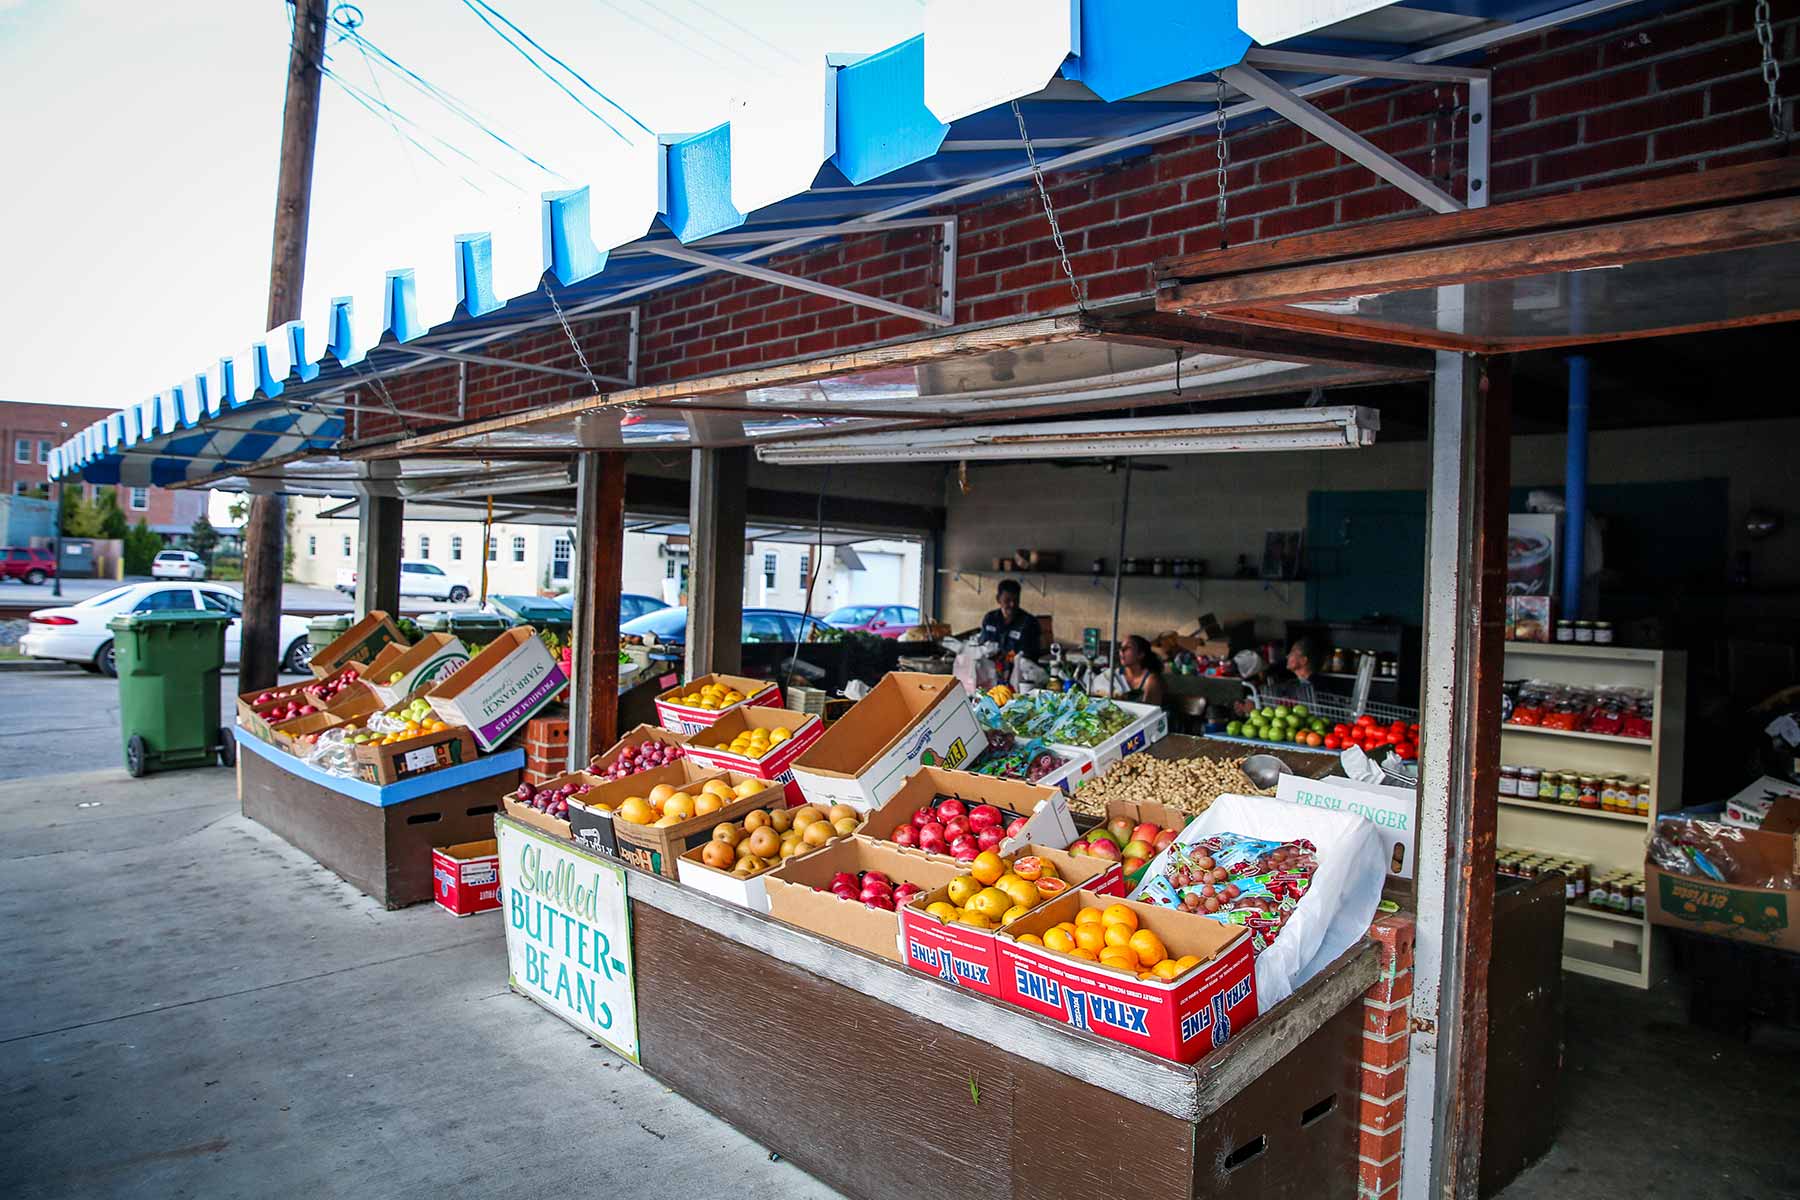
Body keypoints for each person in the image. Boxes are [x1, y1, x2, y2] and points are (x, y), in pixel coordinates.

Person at [977, 578, 1042, 663]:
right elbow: (982, 645)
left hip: (1018, 667)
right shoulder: (990, 618)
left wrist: (1004, 662)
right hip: (990, 666)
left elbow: (1027, 654)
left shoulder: (1029, 622)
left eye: (1016, 600)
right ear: (998, 599)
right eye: (1007, 600)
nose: (1012, 604)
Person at [1095, 635, 1166, 705]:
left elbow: (1150, 709)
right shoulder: (1111, 675)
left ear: (1141, 654)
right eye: (1121, 647)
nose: (1122, 651)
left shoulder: (1152, 680)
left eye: (1128, 648)